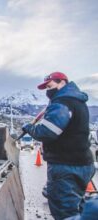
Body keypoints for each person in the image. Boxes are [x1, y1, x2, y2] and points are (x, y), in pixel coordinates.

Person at [22, 72, 95, 220]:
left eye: (50, 86)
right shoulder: (78, 101)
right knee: (77, 207)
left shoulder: (62, 102)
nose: (48, 91)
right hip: (83, 163)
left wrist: (29, 128)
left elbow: (47, 132)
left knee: (65, 213)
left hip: (65, 167)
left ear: (62, 82)